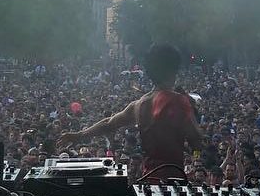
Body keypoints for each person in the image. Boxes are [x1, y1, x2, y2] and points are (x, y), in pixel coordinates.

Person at [59, 44, 202, 180]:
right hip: (174, 178)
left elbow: (108, 123)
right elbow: (196, 139)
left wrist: (79, 135)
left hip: (148, 177)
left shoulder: (139, 104)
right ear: (173, 70)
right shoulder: (179, 101)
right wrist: (196, 155)